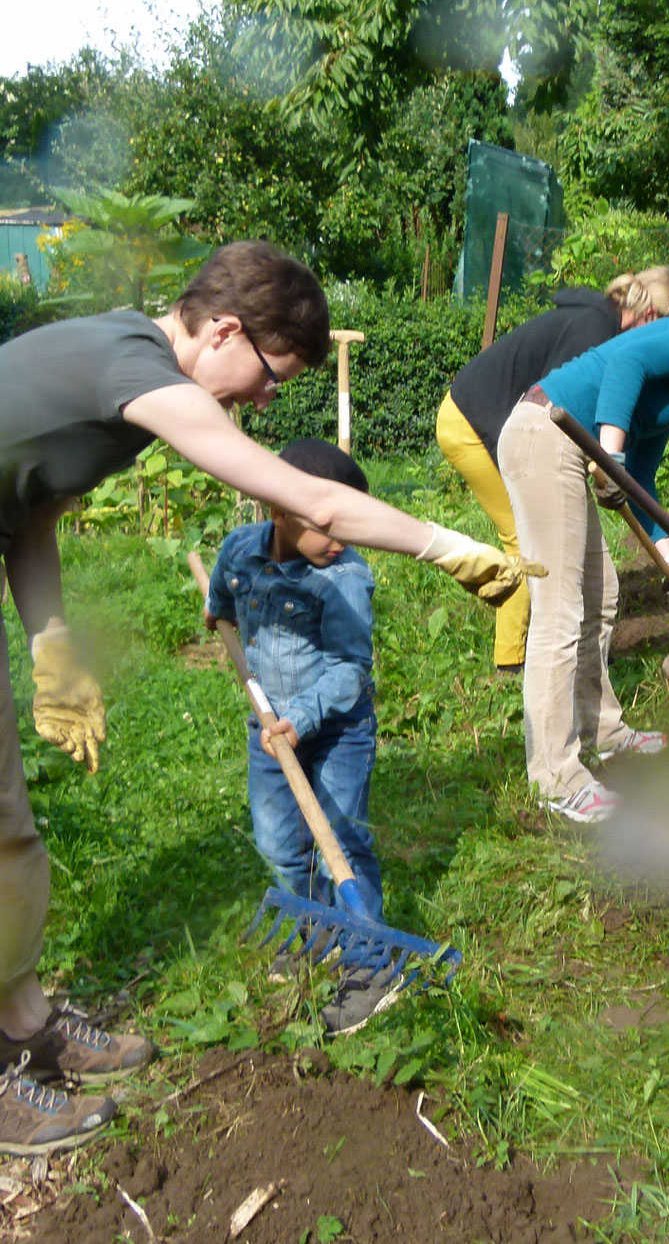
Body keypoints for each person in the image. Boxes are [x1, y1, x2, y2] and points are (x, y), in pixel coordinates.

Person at [0, 241, 536, 1162]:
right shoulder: (135, 374)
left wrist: (50, 637)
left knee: (0, 824)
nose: (269, 400)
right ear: (225, 329)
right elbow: (313, 500)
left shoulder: (128, 373)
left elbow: (31, 501)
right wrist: (449, 546)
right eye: (272, 376)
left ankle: (26, 1022)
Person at [496, 308, 669, 823]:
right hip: (545, 433)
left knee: (598, 598)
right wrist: (611, 456)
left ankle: (601, 730)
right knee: (558, 612)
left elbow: (638, 491)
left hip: (566, 448)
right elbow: (626, 360)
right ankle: (556, 778)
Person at [204, 438, 394, 1034]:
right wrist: (217, 608)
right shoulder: (241, 550)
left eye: (346, 520)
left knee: (341, 840)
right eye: (326, 522)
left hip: (336, 728)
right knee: (280, 841)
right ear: (277, 509)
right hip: (268, 729)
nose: (340, 536)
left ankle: (369, 964)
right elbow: (224, 587)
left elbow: (348, 670)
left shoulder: (344, 577)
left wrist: (301, 720)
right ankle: (316, 928)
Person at [437, 268, 669, 671]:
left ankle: (534, 651)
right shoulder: (593, 328)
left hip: (481, 415)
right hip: (473, 420)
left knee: (535, 536)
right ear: (652, 318)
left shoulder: (600, 323)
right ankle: (510, 664)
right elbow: (552, 406)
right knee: (525, 541)